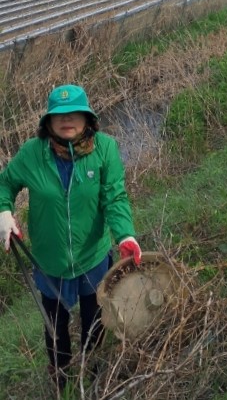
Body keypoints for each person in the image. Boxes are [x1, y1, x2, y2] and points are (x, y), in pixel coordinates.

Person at [0, 84, 142, 390]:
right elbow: (5, 184)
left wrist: (125, 235)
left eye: (74, 112)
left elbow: (115, 198)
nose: (67, 119)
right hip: (50, 262)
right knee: (55, 330)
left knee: (95, 324)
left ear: (87, 118)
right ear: (48, 121)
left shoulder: (105, 148)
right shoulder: (32, 153)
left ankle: (94, 377)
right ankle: (61, 381)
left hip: (93, 258)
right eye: (59, 114)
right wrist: (4, 212)